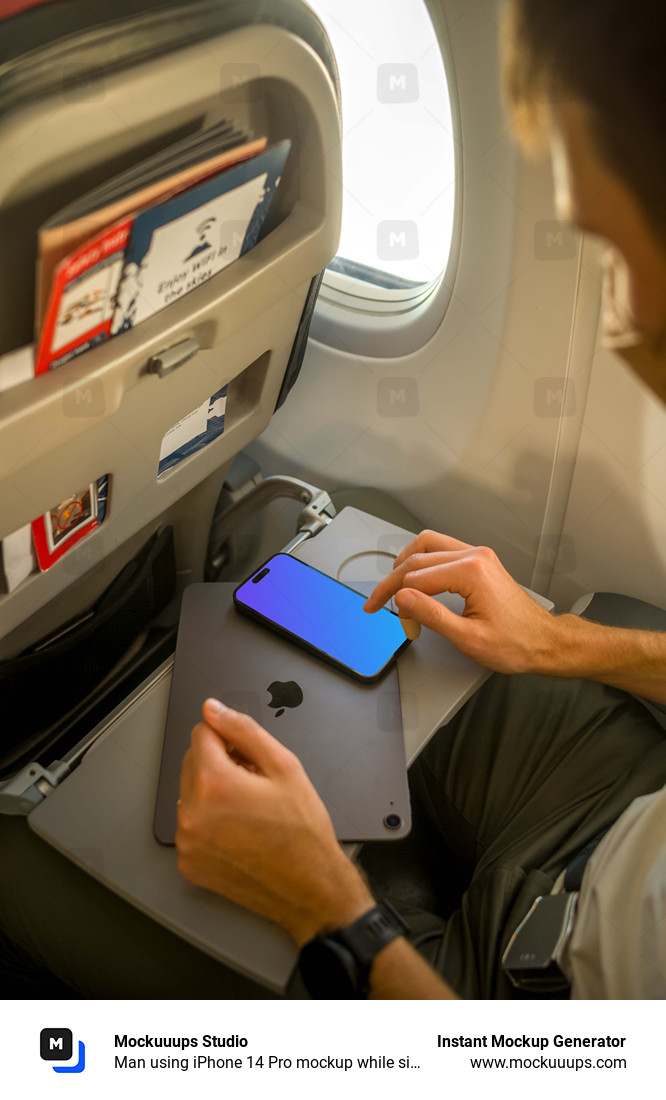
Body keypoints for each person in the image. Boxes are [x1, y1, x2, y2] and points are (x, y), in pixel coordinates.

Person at [1, 0, 665, 999]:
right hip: (630, 799)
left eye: (621, 259)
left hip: (531, 1002)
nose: (615, 317)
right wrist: (557, 640)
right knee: (344, 593)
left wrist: (327, 906)